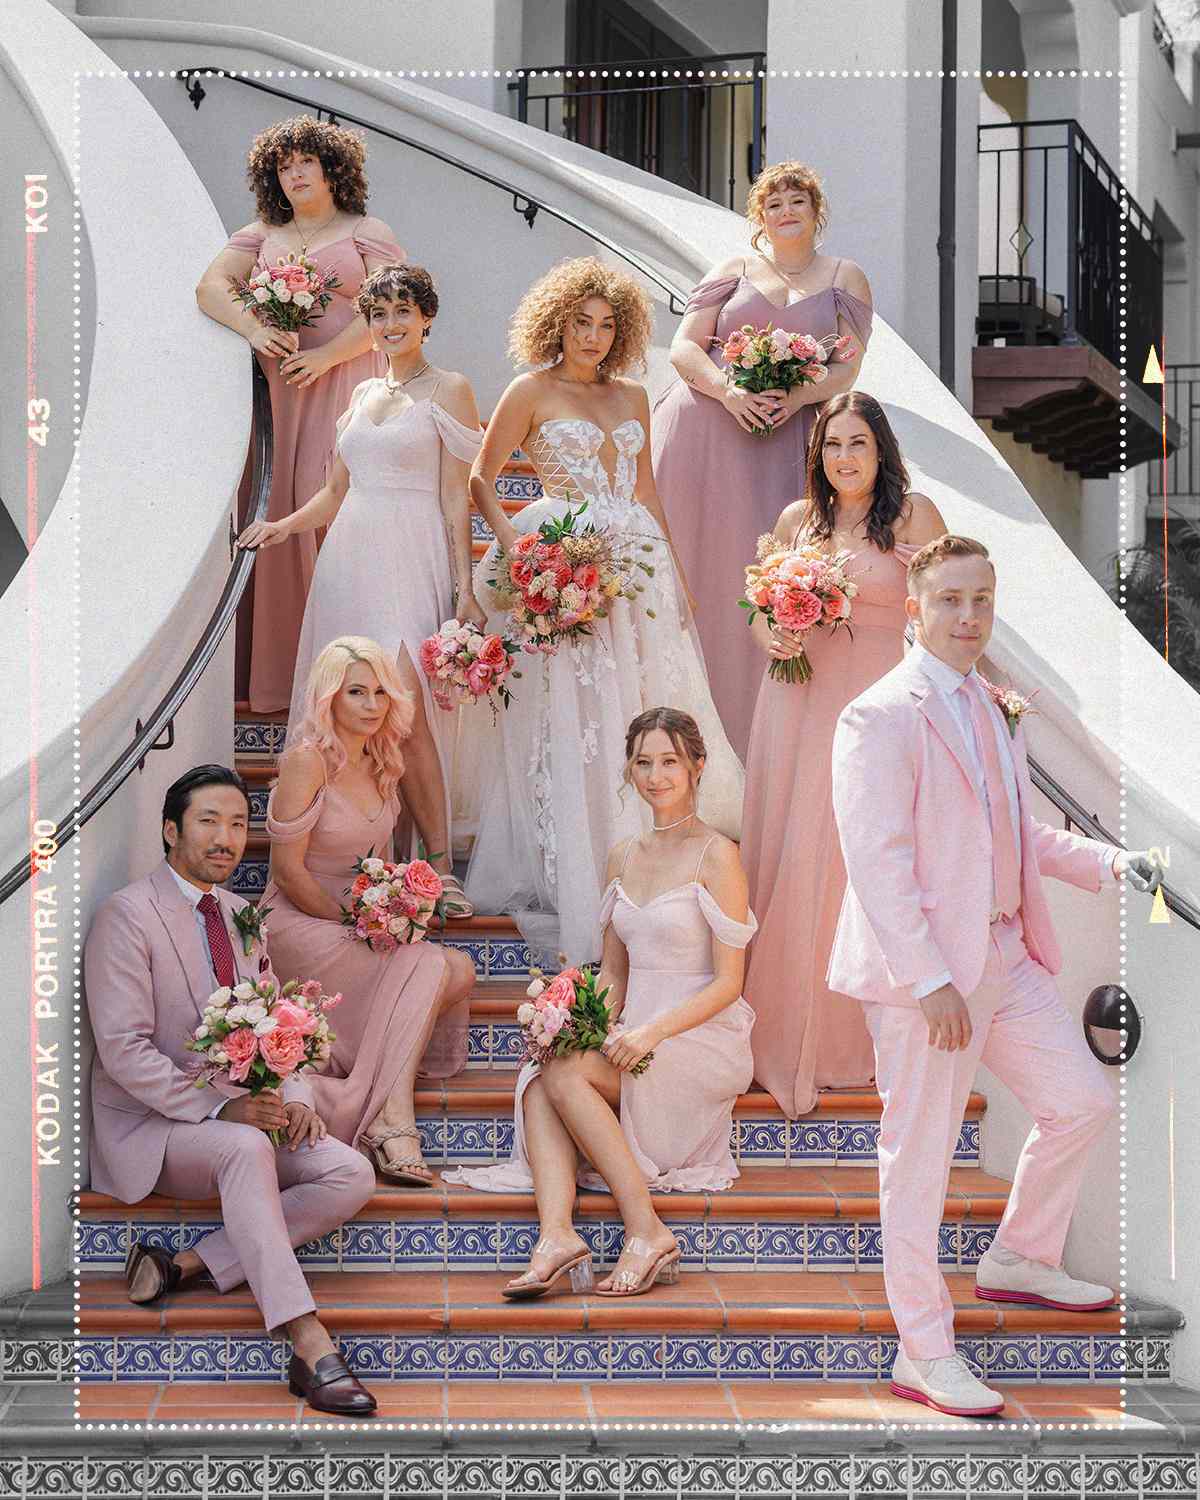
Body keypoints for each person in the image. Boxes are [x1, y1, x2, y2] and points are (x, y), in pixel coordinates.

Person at [827, 534, 1163, 1418]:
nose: (968, 617)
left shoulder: (992, 706)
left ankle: (1018, 1257)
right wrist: (930, 978)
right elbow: (878, 861)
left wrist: (1109, 862)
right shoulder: (879, 715)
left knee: (1081, 1099)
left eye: (981, 600)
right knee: (920, 1163)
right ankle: (922, 1352)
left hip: (1006, 956)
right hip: (927, 978)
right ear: (914, 608)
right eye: (949, 600)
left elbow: (1018, 835)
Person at [463, 256, 744, 965]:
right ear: (556, 322)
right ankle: (586, 866)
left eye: (606, 324)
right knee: (578, 717)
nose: (592, 336)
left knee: (643, 705)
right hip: (566, 561)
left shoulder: (632, 396)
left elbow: (645, 492)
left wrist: (677, 577)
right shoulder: (530, 389)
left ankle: (659, 866)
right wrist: (522, 555)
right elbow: (480, 479)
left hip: (636, 565)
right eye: (581, 322)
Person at [84, 765, 378, 1415]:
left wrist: (295, 1095)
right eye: (209, 822)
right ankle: (307, 1341)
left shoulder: (244, 916)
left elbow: (277, 1024)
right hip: (153, 1126)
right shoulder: (127, 916)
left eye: (239, 824)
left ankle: (184, 1264)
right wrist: (223, 1107)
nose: (226, 837)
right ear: (170, 831)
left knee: (351, 1173)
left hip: (239, 1115)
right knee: (245, 1150)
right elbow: (122, 1048)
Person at [448, 709, 755, 1300]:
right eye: (643, 762)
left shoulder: (718, 855)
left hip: (699, 1034)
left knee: (561, 1075)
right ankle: (557, 1236)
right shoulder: (623, 856)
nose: (656, 775)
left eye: (669, 761)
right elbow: (614, 972)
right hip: (633, 1028)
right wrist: (574, 1021)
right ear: (629, 769)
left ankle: (646, 1231)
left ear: (696, 766)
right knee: (546, 1071)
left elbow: (729, 983)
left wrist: (650, 1034)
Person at [239, 264, 482, 918]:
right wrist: (282, 526)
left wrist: (464, 587)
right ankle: (340, 857)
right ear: (368, 325)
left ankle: (437, 862)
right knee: (344, 712)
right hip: (349, 557)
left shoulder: (450, 389)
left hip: (411, 552)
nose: (392, 325)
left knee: (404, 716)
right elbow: (335, 493)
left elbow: (456, 497)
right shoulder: (362, 395)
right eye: (380, 315)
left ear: (426, 317)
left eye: (404, 312)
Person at [740, 392, 948, 1118]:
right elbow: (761, 618)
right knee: (796, 857)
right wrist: (774, 634)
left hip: (875, 706)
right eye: (831, 445)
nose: (844, 458)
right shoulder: (799, 523)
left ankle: (849, 1039)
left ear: (881, 450)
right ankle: (784, 1031)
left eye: (857, 443)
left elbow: (948, 605)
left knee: (855, 854)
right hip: (796, 701)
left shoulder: (913, 516)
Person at [652, 160, 873, 757]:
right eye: (773, 204)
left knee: (760, 568)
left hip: (787, 437)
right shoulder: (732, 270)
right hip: (705, 430)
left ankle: (754, 745)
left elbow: (848, 366)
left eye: (796, 200)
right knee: (697, 565)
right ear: (760, 217)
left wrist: (795, 395)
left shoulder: (845, 278)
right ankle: (672, 731)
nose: (785, 212)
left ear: (815, 209)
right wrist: (729, 391)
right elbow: (683, 347)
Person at [196, 115, 406, 713]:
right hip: (278, 391)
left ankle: (344, 677)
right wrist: (255, 326)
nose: (294, 174)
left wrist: (325, 360)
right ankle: (276, 680)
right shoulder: (263, 232)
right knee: (277, 505)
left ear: (331, 167)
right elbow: (212, 287)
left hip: (344, 385)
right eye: (283, 166)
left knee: (326, 507)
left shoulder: (369, 230)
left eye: (304, 162)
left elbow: (394, 311)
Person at [260, 638, 477, 1185]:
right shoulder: (307, 762)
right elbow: (288, 872)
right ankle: (392, 1117)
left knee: (461, 970)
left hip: (351, 919)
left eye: (381, 691)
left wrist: (394, 909)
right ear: (329, 697)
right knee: (429, 966)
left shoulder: (384, 761)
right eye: (357, 691)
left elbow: (377, 868)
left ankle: (377, 1088)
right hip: (297, 918)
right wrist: (356, 923)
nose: (372, 703)